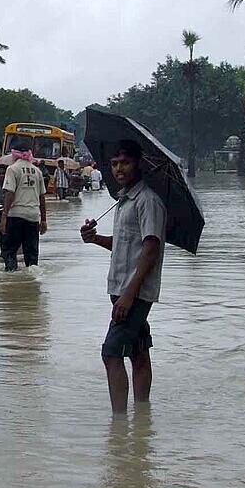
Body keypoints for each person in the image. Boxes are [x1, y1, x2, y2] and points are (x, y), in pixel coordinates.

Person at [80, 140, 166, 414]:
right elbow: (126, 244)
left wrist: (129, 293)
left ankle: (119, 425)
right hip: (122, 289)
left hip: (134, 292)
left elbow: (151, 247)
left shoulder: (148, 201)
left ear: (138, 163)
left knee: (111, 353)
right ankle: (143, 415)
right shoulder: (124, 201)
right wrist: (95, 239)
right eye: (115, 163)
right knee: (139, 350)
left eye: (125, 162)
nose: (118, 168)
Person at [0, 146, 47, 272]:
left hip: (15, 216)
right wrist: (44, 220)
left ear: (14, 155)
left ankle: (11, 280)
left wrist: (4, 216)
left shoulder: (12, 169)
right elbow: (42, 197)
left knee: (10, 252)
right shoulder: (37, 171)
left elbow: (10, 193)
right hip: (33, 216)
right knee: (32, 257)